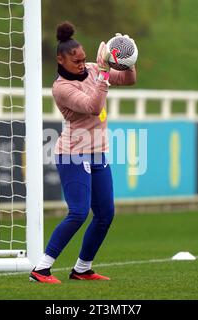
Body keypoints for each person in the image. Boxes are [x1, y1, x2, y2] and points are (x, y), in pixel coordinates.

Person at [29, 21, 137, 283]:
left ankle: (82, 269)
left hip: (98, 152)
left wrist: (126, 55)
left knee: (105, 214)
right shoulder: (61, 88)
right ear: (60, 59)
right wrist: (102, 72)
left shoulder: (91, 70)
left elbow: (129, 79)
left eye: (84, 59)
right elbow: (92, 105)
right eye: (76, 60)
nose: (82, 64)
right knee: (78, 212)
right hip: (73, 154)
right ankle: (41, 269)